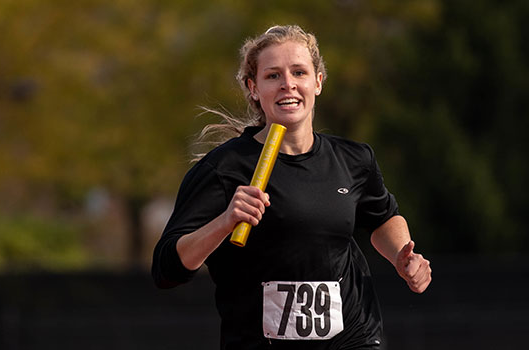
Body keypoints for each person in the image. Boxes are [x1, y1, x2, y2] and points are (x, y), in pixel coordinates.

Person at [152, 24, 432, 349]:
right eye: (273, 76)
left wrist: (402, 254)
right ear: (253, 87)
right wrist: (225, 221)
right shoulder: (224, 169)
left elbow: (383, 217)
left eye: (299, 72)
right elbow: (166, 269)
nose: (288, 84)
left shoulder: (354, 159)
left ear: (318, 82)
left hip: (355, 337)